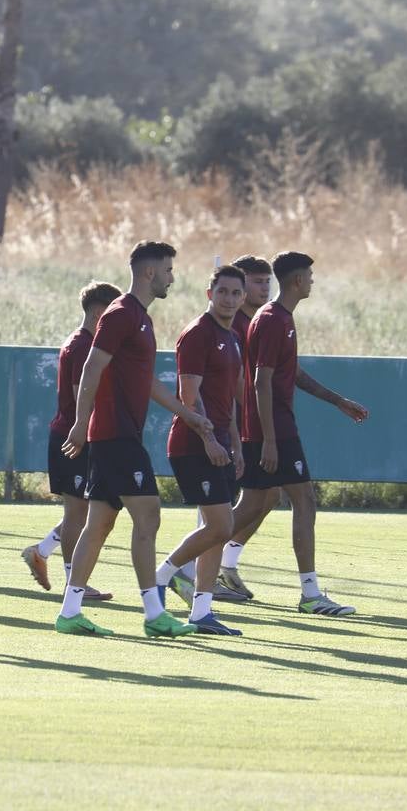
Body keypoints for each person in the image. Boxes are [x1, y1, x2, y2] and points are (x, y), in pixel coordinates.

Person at [53, 240, 212, 638]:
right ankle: (153, 612)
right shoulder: (122, 313)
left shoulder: (139, 317)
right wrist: (80, 422)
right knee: (148, 516)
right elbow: (91, 367)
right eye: (169, 270)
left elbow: (147, 382)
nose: (172, 278)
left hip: (116, 436)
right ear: (149, 272)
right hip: (116, 437)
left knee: (99, 524)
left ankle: (70, 612)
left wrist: (188, 415)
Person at [241, 251, 369, 616]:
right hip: (276, 429)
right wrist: (267, 438)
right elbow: (261, 382)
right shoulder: (273, 320)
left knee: (250, 506)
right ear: (297, 280)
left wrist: (337, 400)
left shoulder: (281, 319)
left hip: (273, 427)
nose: (313, 281)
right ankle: (310, 593)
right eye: (310, 276)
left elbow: (290, 373)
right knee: (304, 500)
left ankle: (179, 567)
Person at [154, 266, 249, 634]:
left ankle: (202, 612)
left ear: (242, 298)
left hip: (221, 443)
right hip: (194, 444)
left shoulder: (234, 337)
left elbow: (228, 400)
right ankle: (164, 575)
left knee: (218, 530)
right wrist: (209, 439)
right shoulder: (197, 334)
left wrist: (237, 444)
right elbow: (189, 396)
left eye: (234, 293)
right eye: (221, 291)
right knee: (221, 525)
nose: (228, 298)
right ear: (210, 294)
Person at [20, 281, 118, 601]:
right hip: (74, 438)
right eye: (113, 312)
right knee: (79, 513)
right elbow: (82, 399)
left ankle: (41, 551)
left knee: (86, 511)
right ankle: (73, 582)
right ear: (98, 311)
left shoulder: (89, 343)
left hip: (82, 436)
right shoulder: (82, 346)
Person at [214, 253, 276, 600]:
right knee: (249, 500)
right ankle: (189, 567)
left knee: (268, 496)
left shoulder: (258, 322)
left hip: (250, 426)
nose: (263, 288)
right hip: (234, 427)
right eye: (257, 281)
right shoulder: (230, 324)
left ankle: (227, 564)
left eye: (267, 281)